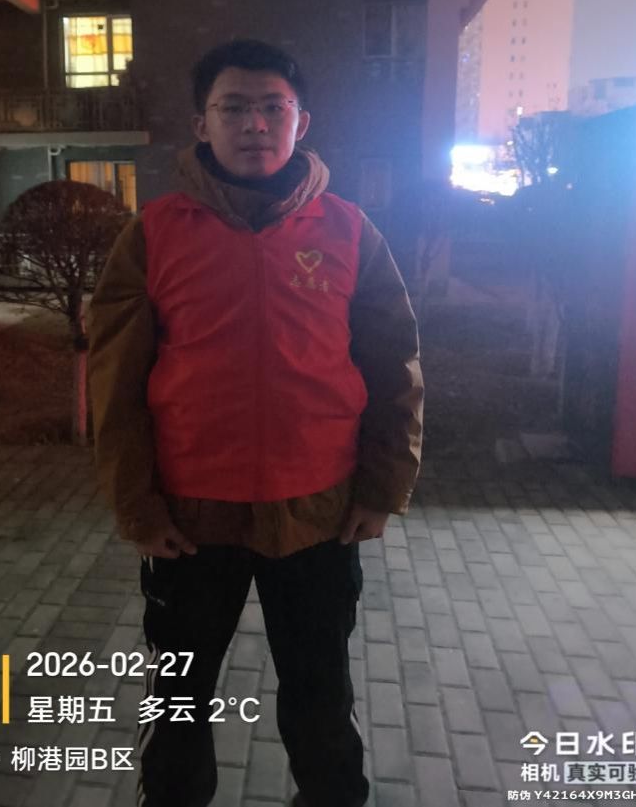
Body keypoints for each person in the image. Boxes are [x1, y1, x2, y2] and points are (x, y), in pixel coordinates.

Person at [88, 39, 424, 807]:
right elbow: (115, 381)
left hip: (319, 512)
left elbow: (393, 363)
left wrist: (383, 486)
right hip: (188, 519)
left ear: (302, 121)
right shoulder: (153, 235)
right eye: (233, 107)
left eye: (274, 107)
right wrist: (137, 505)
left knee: (321, 698)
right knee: (178, 703)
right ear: (201, 124)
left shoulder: (349, 231)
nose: (255, 124)